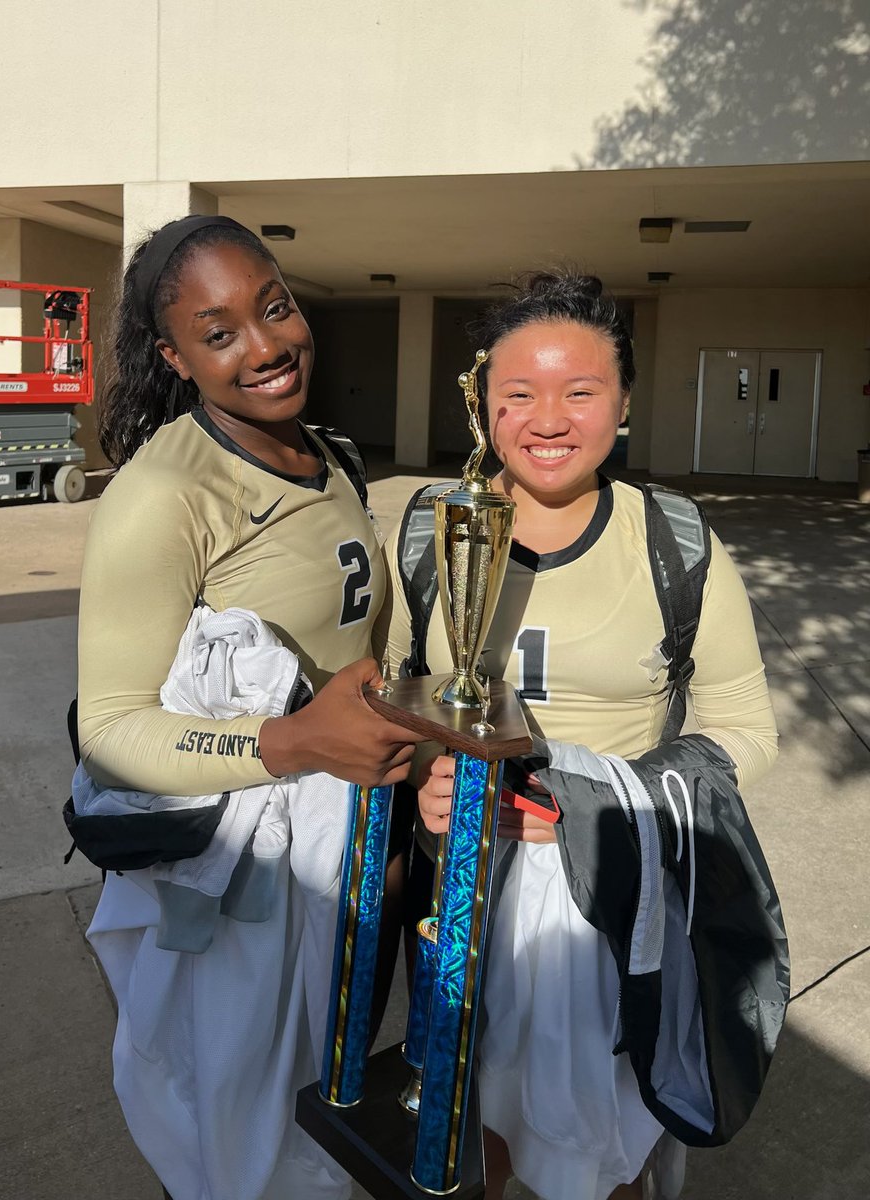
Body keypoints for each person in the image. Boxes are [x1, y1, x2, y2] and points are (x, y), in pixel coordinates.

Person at [382, 271, 779, 1200]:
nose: (547, 419)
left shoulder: (674, 542)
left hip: (618, 915)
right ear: (483, 404)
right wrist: (424, 778)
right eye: (517, 394)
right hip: (467, 907)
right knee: (470, 1148)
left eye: (580, 391)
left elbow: (746, 729)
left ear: (625, 403)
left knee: (610, 1162)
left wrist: (600, 803)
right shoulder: (430, 530)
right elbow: (396, 700)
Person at [76, 214, 423, 1200]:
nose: (266, 346)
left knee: (333, 1136)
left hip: (358, 870)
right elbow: (109, 729)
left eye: (273, 306)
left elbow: (358, 649)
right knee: (245, 1151)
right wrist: (291, 739)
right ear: (174, 355)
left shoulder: (330, 455)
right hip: (247, 892)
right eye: (218, 330)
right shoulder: (163, 494)